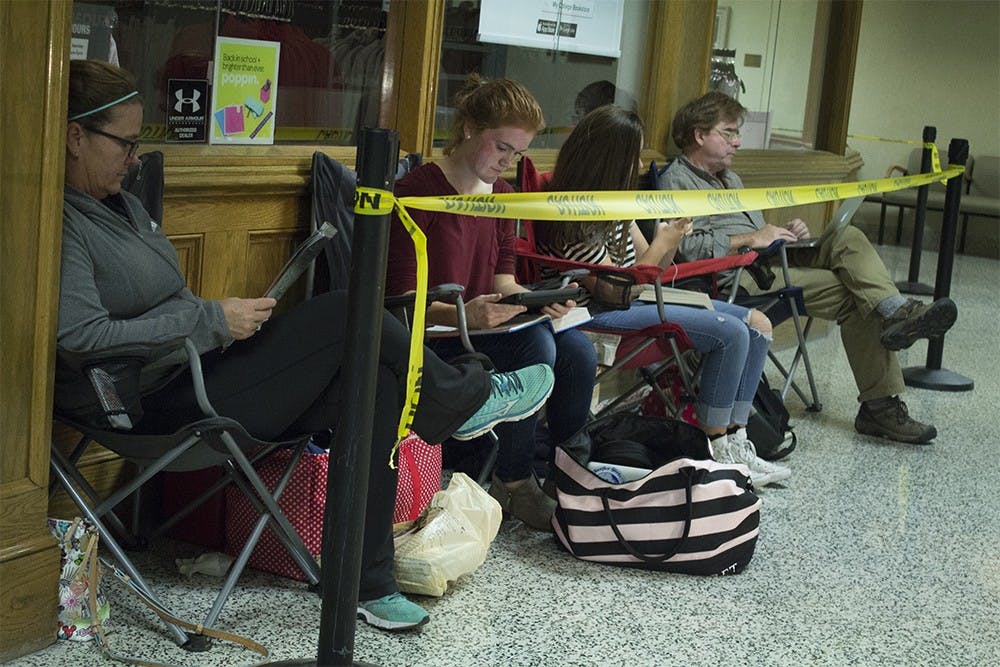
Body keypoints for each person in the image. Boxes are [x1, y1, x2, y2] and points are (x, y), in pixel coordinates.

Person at [56, 59, 556, 633]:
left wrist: (216, 319)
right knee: (348, 308)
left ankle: (368, 584)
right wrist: (212, 319)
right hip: (146, 400)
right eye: (124, 142)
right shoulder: (61, 223)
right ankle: (461, 399)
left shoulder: (124, 206)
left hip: (198, 366)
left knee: (376, 381)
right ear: (75, 136)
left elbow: (169, 304)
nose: (136, 157)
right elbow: (79, 337)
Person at [659, 91, 958, 444]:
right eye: (728, 133)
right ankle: (880, 407)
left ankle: (896, 311)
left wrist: (784, 233)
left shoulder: (731, 178)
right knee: (856, 298)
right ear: (698, 135)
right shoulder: (675, 180)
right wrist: (752, 238)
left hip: (768, 259)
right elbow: (686, 249)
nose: (737, 142)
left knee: (848, 237)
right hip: (733, 280)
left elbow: (751, 232)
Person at [534, 105, 791, 486]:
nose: (639, 165)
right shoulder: (573, 213)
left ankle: (738, 441)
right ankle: (714, 449)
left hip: (635, 300)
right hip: (596, 315)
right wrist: (662, 244)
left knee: (757, 324)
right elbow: (616, 289)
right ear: (610, 160)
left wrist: (669, 239)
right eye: (633, 156)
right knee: (731, 332)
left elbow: (650, 265)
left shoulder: (616, 205)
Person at [387, 75, 599, 530]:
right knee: (539, 349)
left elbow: (503, 278)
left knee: (578, 350)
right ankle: (515, 479)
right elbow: (401, 302)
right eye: (501, 147)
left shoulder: (503, 197)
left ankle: (566, 478)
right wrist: (467, 312)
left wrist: (537, 301)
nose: (507, 162)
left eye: (518, 154)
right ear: (467, 129)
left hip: (482, 326)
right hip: (435, 332)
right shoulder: (417, 193)